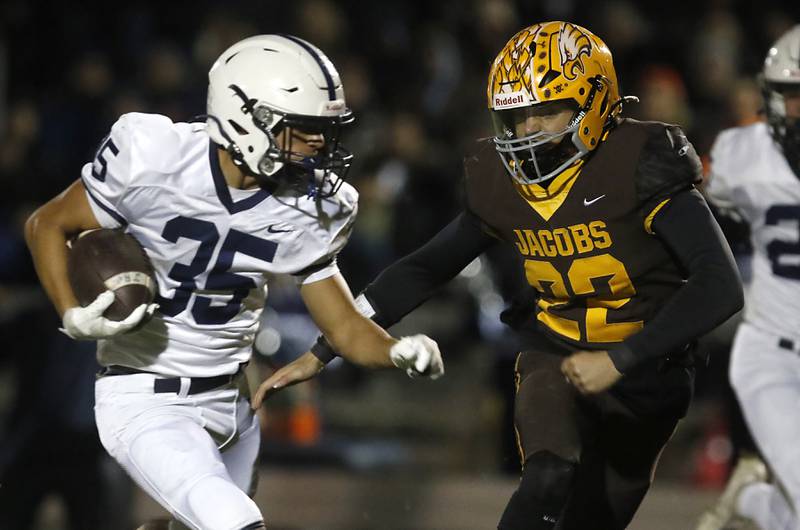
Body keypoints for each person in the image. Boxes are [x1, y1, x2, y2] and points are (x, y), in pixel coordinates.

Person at [254, 21, 744, 530]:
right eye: (516, 115)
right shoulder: (499, 181)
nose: (528, 130)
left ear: (593, 105)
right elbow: (426, 267)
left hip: (650, 370)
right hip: (556, 350)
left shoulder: (639, 163)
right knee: (548, 478)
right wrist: (326, 347)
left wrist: (622, 359)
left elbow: (719, 284)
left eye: (545, 110)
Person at [24, 34, 444, 530]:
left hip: (235, 405)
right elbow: (46, 224)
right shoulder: (155, 155)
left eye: (325, 131)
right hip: (145, 400)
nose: (320, 146)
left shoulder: (313, 207)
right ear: (247, 119)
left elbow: (345, 326)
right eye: (304, 130)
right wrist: (71, 313)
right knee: (238, 524)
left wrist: (394, 350)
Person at [695, 24, 800, 530]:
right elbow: (691, 221)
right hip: (774, 358)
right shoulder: (744, 153)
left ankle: (752, 500)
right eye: (793, 98)